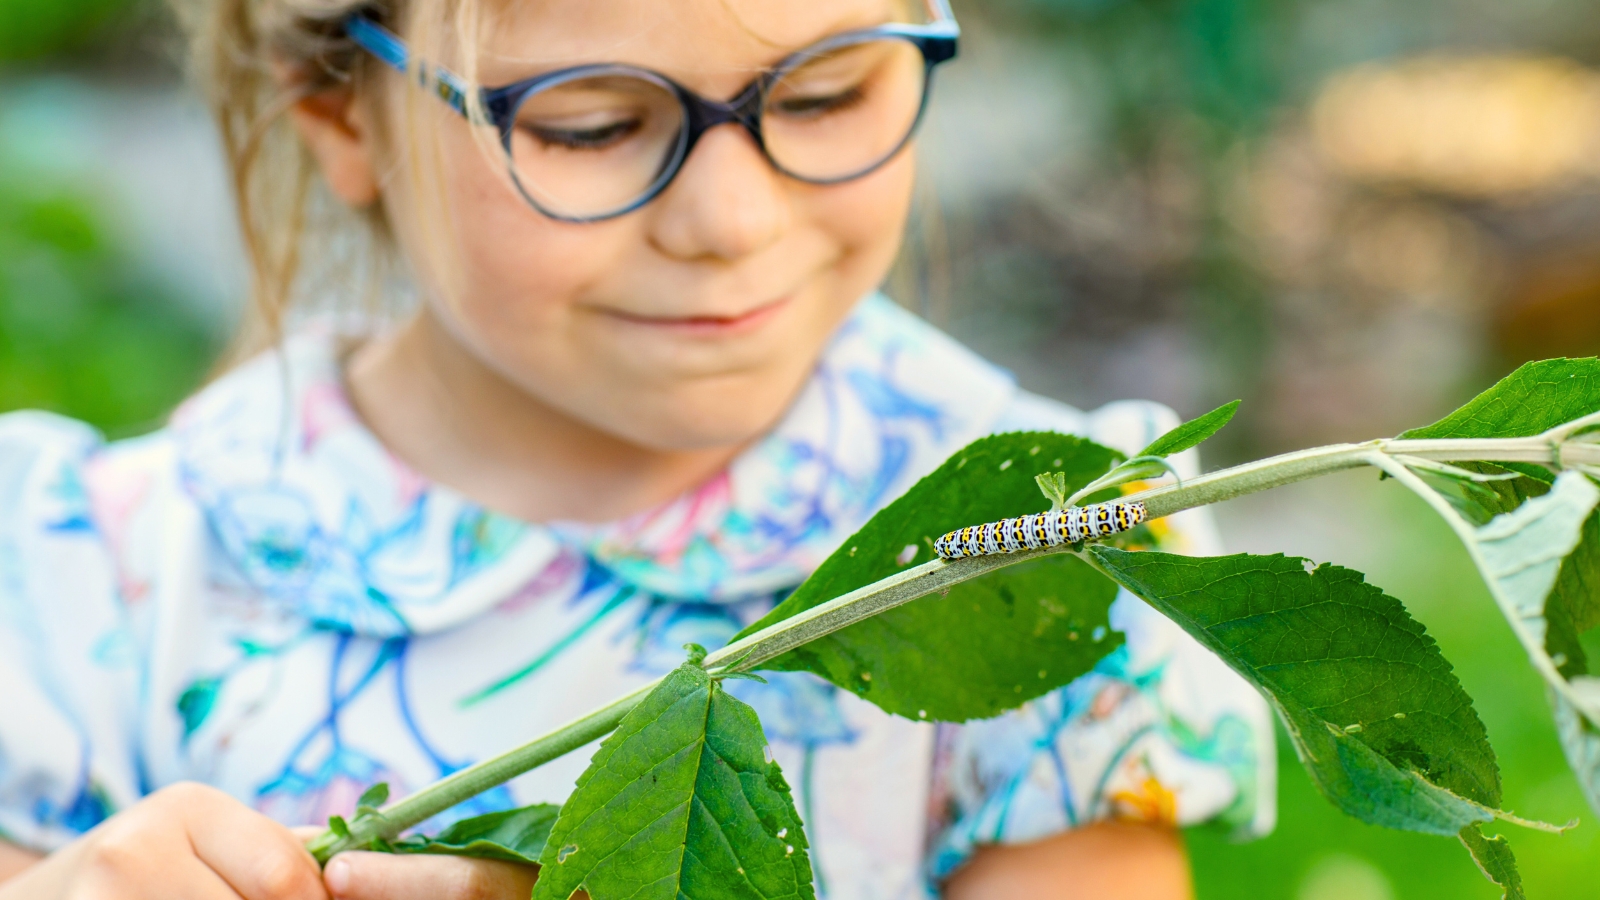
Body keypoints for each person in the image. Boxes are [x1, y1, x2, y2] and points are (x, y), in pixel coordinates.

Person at [0, 0, 1275, 897]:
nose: (729, 220)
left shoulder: (1053, 544)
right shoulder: (80, 586)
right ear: (341, 112)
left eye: (830, 91)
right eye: (593, 124)